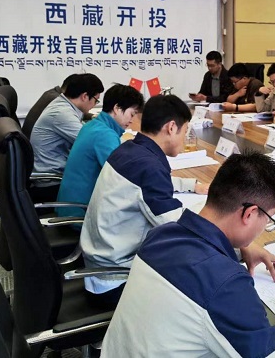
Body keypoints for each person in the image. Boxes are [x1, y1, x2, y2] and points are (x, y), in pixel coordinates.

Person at [101, 151, 275, 357]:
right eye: (268, 219)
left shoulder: (160, 235)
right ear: (250, 213)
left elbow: (194, 259)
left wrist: (237, 250)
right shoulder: (225, 284)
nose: (265, 227)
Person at [80, 95, 209, 308]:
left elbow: (147, 184)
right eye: (185, 131)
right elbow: (178, 228)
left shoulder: (131, 150)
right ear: (171, 127)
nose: (185, 138)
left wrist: (189, 185)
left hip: (99, 263)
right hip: (115, 280)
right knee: (201, 280)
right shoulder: (148, 167)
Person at [56, 84, 145, 218]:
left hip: (71, 205)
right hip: (81, 212)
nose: (132, 120)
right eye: (131, 114)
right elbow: (124, 178)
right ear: (117, 108)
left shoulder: (93, 125)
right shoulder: (105, 135)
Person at [31, 73, 104, 177]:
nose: (95, 104)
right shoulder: (61, 113)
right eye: (96, 100)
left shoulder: (63, 104)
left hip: (58, 168)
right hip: (52, 178)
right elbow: (91, 143)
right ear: (84, 96)